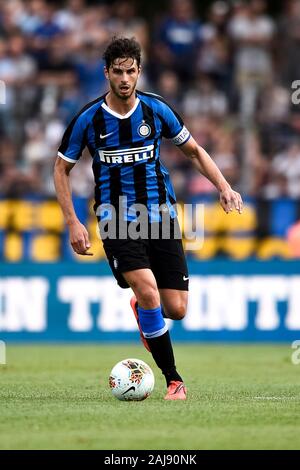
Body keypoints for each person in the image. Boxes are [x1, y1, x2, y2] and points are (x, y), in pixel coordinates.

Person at [54, 37, 243, 400]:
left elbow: (193, 151)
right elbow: (61, 169)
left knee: (177, 309)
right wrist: (73, 221)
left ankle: (142, 310)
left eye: (130, 71)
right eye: (117, 71)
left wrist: (224, 186)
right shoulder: (88, 118)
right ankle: (174, 380)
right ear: (106, 72)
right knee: (148, 289)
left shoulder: (157, 110)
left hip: (160, 215)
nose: (124, 78)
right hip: (115, 219)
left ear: (139, 72)